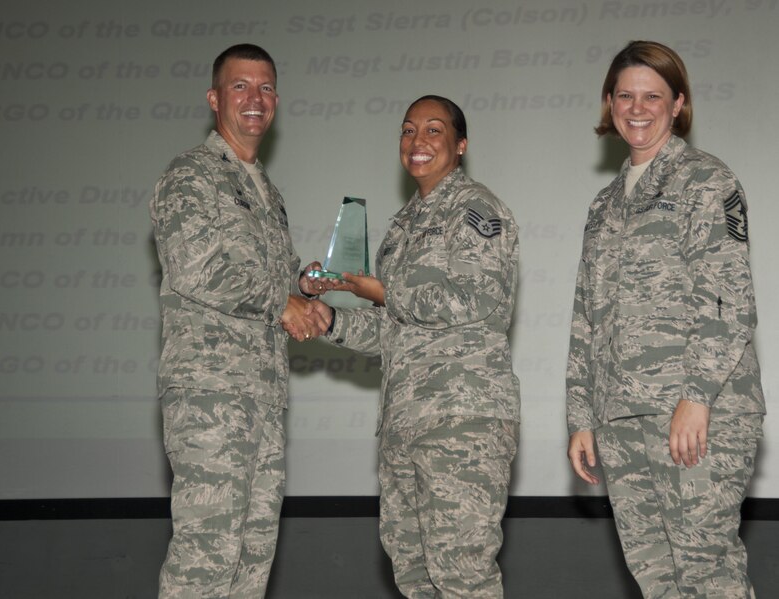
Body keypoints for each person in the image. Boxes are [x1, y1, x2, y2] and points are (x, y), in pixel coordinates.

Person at [566, 41, 765, 598]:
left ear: (677, 104)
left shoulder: (704, 181)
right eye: (625, 95)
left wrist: (697, 396)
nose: (637, 107)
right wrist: (582, 416)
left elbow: (728, 298)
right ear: (609, 103)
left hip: (696, 412)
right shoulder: (603, 205)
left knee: (707, 572)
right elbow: (586, 316)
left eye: (652, 95)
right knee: (657, 578)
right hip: (621, 417)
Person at [314, 95, 521, 597]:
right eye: (408, 131)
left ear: (461, 144)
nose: (418, 142)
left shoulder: (476, 210)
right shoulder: (400, 229)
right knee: (414, 577)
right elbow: (393, 328)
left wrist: (384, 292)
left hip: (462, 421)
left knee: (462, 576)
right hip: (405, 424)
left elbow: (476, 297)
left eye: (433, 130)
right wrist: (329, 320)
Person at [150, 43, 330, 598]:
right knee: (205, 561)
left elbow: (262, 282)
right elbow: (197, 266)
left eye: (267, 87)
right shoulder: (191, 175)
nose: (256, 99)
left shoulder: (266, 191)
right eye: (241, 86)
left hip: (262, 398)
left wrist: (302, 287)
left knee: (251, 562)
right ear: (214, 99)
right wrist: (281, 303)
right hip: (210, 396)